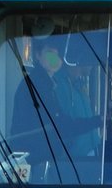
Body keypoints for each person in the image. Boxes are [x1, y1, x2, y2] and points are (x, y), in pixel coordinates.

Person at [11, 36, 102, 167]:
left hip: (39, 158)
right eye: (50, 54)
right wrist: (98, 121)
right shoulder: (38, 85)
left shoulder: (46, 83)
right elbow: (60, 126)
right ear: (37, 55)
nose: (55, 59)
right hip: (34, 160)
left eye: (59, 55)